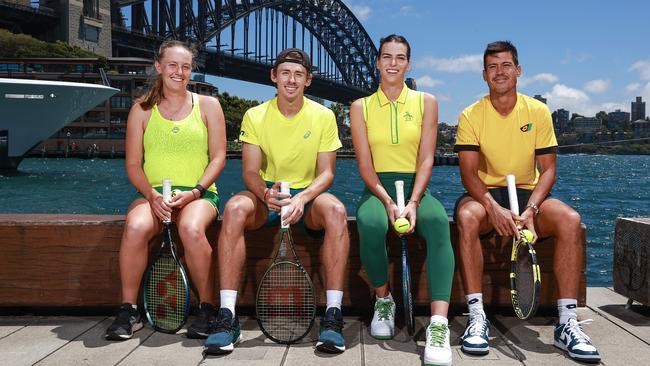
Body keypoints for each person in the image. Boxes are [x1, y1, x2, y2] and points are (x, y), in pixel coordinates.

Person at [453, 40, 601, 363]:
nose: (500, 72)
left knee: (570, 220)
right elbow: (468, 175)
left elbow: (548, 171)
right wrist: (494, 208)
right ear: (483, 75)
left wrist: (531, 209)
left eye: (506, 65)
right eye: (492, 67)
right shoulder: (470, 115)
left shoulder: (538, 111)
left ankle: (567, 323)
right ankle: (477, 318)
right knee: (466, 218)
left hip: (528, 194)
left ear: (518, 71)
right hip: (485, 194)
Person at [204, 48, 350, 355]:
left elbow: (326, 174)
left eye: (298, 74)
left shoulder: (324, 116)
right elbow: (249, 171)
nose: (291, 80)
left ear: (308, 80)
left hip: (307, 195)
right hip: (268, 195)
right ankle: (227, 316)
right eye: (285, 73)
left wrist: (303, 198)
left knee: (336, 210)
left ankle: (333, 317)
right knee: (232, 208)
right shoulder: (255, 115)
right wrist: (264, 193)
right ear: (274, 76)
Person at [105, 40, 227, 341]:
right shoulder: (141, 109)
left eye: (186, 66)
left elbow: (219, 157)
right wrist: (152, 196)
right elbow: (133, 166)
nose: (179, 72)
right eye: (172, 65)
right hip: (154, 194)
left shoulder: (209, 105)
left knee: (192, 228)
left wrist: (197, 191)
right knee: (135, 226)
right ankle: (129, 309)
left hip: (199, 194)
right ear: (158, 67)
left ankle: (207, 307)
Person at [349, 34, 454, 366]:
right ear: (378, 62)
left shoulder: (427, 102)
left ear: (408, 63)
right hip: (377, 187)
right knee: (369, 220)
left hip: (416, 187)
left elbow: (426, 159)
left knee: (438, 222)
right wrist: (388, 201)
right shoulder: (359, 107)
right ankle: (384, 299)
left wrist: (414, 201)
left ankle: (439, 324)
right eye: (386, 57)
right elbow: (365, 166)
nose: (393, 63)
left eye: (400, 57)